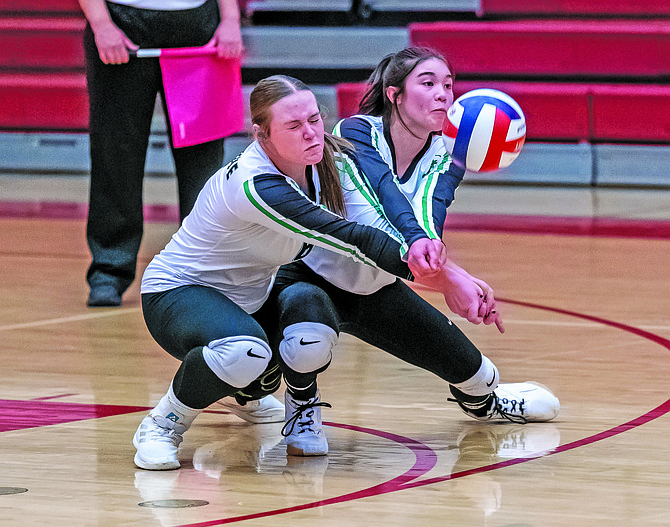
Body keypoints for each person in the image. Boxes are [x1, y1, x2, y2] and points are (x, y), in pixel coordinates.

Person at [133, 75, 450, 471]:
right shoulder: (257, 185)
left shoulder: (324, 162)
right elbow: (349, 237)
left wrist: (421, 241)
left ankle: (289, 411)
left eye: (314, 120)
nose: (310, 133)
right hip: (177, 295)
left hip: (249, 300)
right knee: (244, 351)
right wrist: (441, 277)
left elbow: (382, 208)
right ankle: (162, 425)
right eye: (294, 126)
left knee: (310, 313)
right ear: (262, 135)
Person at [270, 47, 559, 457]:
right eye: (428, 83)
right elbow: (382, 214)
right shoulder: (356, 132)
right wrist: (450, 279)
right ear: (395, 95)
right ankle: (286, 400)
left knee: (479, 376)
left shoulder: (448, 155)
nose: (443, 94)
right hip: (309, 277)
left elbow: (428, 214)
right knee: (297, 344)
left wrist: (442, 264)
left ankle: (486, 400)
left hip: (378, 287)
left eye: (448, 84)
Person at [78, 0, 244, 307]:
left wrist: (231, 18)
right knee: (115, 151)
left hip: (197, 23)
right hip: (120, 19)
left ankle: (204, 269)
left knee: (202, 157)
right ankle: (109, 270)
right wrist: (101, 23)